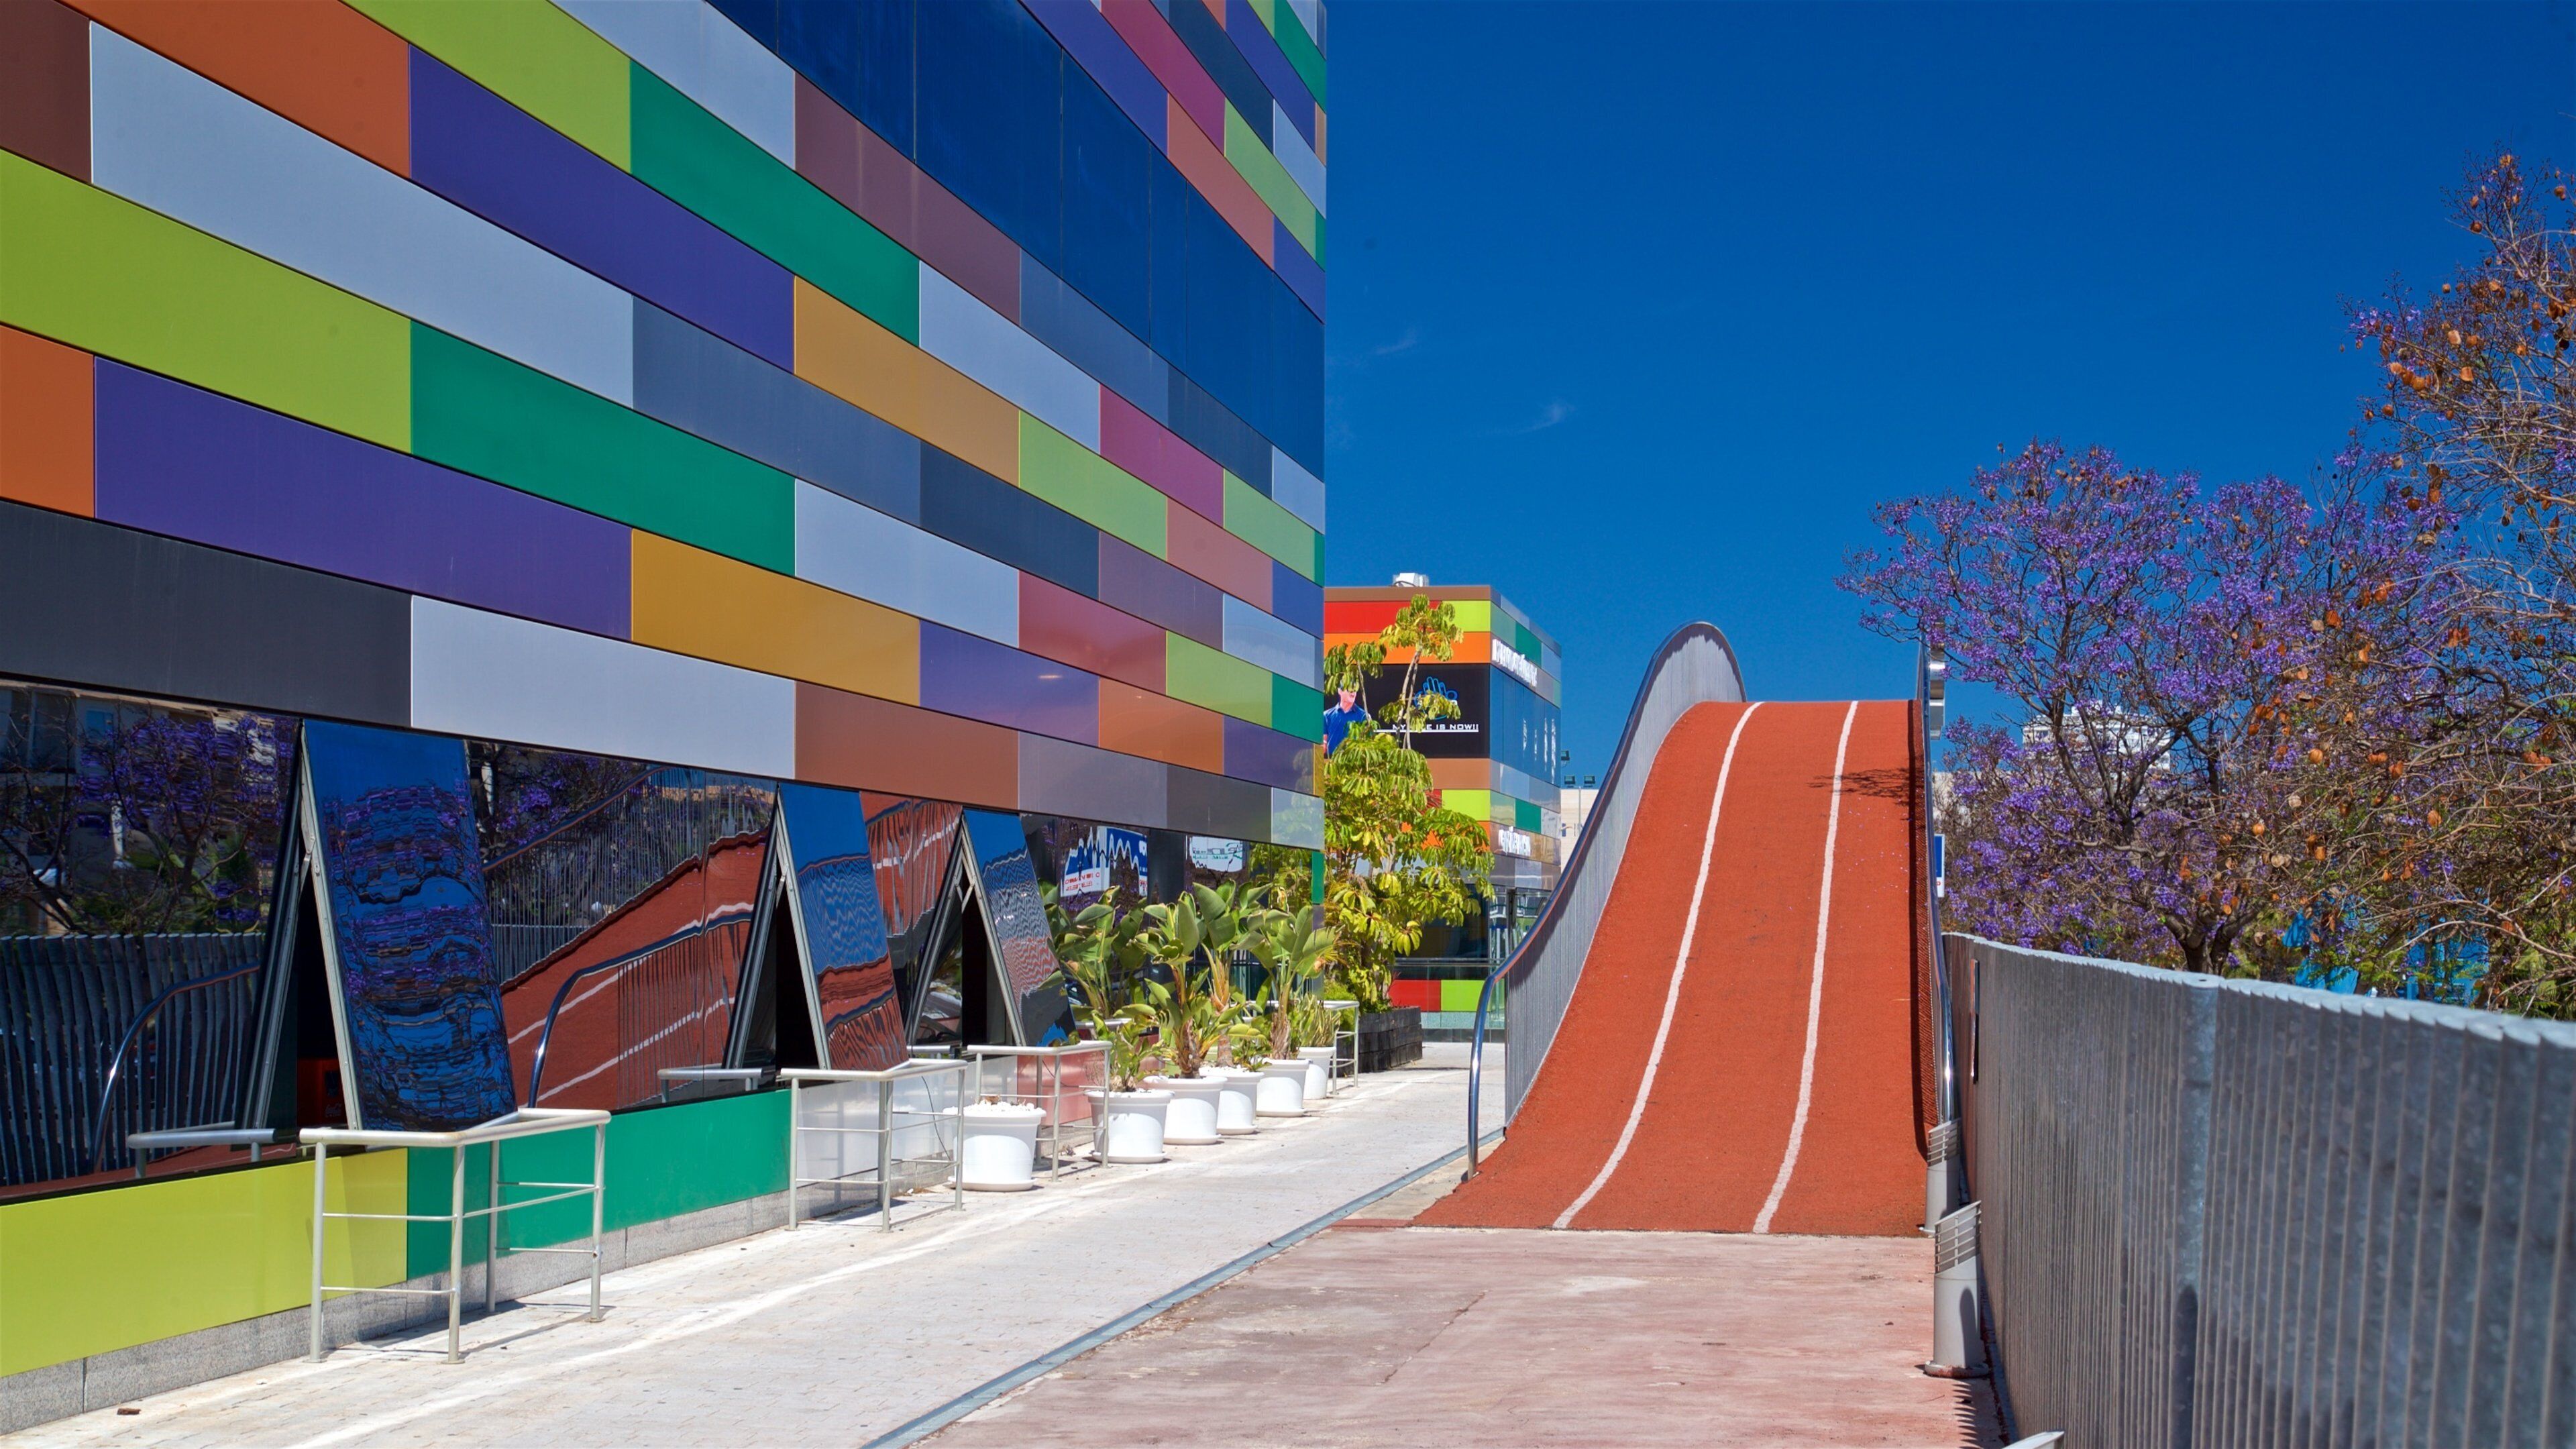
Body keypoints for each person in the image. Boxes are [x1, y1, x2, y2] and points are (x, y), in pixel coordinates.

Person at [1322, 686, 1369, 754]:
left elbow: (1368, 743)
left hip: (1354, 762)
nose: (1353, 691)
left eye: (1355, 689)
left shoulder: (1364, 716)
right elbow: (1323, 745)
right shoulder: (1326, 716)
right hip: (1332, 762)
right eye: (1349, 688)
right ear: (1340, 691)